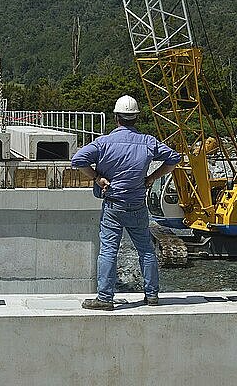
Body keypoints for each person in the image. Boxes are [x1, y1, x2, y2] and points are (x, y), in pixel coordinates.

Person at [71, 95, 181, 310]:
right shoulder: (148, 142)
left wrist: (97, 178)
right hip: (137, 205)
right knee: (146, 250)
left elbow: (78, 160)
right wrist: (152, 177)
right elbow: (174, 159)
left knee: (109, 251)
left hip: (113, 204)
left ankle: (105, 298)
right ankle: (152, 296)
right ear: (136, 118)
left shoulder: (104, 143)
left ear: (116, 118)